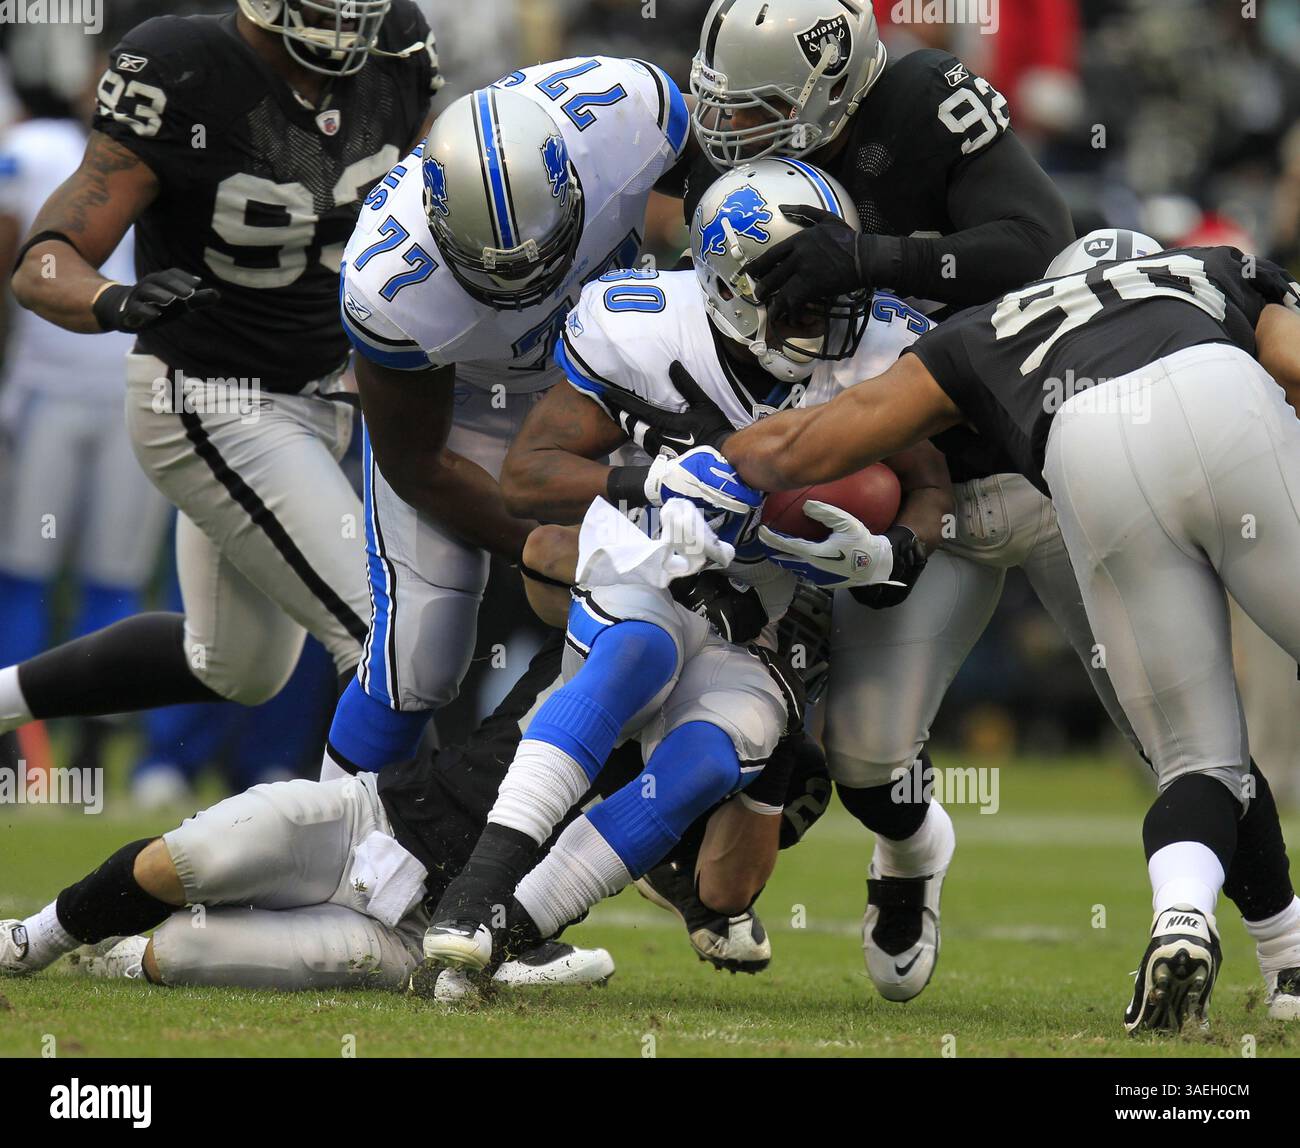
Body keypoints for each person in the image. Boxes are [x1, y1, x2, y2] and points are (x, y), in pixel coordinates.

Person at [628, 230, 1300, 1031]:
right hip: (1216, 394)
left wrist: (686, 460)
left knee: (1194, 754)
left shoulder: (996, 323)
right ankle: (1286, 958)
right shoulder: (1212, 267)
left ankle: (1184, 920)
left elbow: (827, 435)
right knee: (877, 756)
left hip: (1083, 451)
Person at [421, 160, 948, 977]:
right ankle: (476, 891)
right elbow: (528, 477)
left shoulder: (877, 346)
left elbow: (928, 482)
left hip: (768, 615)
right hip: (652, 557)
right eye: (804, 299)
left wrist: (896, 552)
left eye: (835, 289)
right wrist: (649, 476)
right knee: (640, 651)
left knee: (708, 762)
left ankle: (504, 934)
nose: (831, 318)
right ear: (731, 288)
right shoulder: (647, 325)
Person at [0, 540, 832, 990]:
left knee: (179, 956)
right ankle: (37, 937)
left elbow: (720, 885)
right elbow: (543, 554)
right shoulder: (637, 602)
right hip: (386, 814)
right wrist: (645, 539)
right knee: (200, 856)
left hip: (419, 932)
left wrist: (774, 767)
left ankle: (115, 954)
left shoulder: (754, 722)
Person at [0, 1, 440, 741]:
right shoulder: (183, 68)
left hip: (322, 394)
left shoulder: (397, 46)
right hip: (209, 396)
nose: (347, 22)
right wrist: (114, 297)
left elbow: (427, 204)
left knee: (237, 666)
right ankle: (433, 851)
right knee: (388, 636)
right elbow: (43, 265)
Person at [324, 56, 691, 778]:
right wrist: (546, 542)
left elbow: (719, 215)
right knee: (419, 653)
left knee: (662, 620)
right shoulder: (391, 283)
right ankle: (332, 845)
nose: (527, 288)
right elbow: (416, 465)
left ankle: (641, 850)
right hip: (464, 403)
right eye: (493, 272)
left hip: (608, 379)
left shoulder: (629, 114)